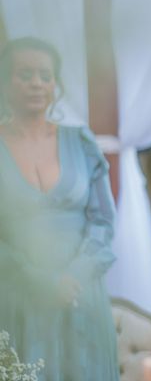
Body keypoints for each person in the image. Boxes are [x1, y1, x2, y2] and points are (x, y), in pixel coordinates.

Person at [0, 37, 120, 380]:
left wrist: (74, 277)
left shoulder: (80, 142)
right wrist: (39, 280)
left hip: (80, 296)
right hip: (17, 296)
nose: (36, 83)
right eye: (24, 75)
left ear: (55, 83)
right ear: (5, 82)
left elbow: (103, 221)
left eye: (44, 75)